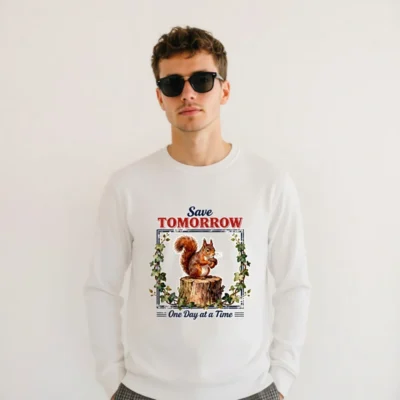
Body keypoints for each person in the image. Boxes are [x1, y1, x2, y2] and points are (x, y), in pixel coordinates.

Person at [83, 25, 311, 400]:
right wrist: (112, 379)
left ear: (224, 90)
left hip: (249, 389)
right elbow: (102, 287)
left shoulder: (269, 182)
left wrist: (282, 378)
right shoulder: (128, 186)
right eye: (173, 84)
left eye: (202, 80)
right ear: (160, 97)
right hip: (145, 389)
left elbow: (293, 284)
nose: (188, 93)